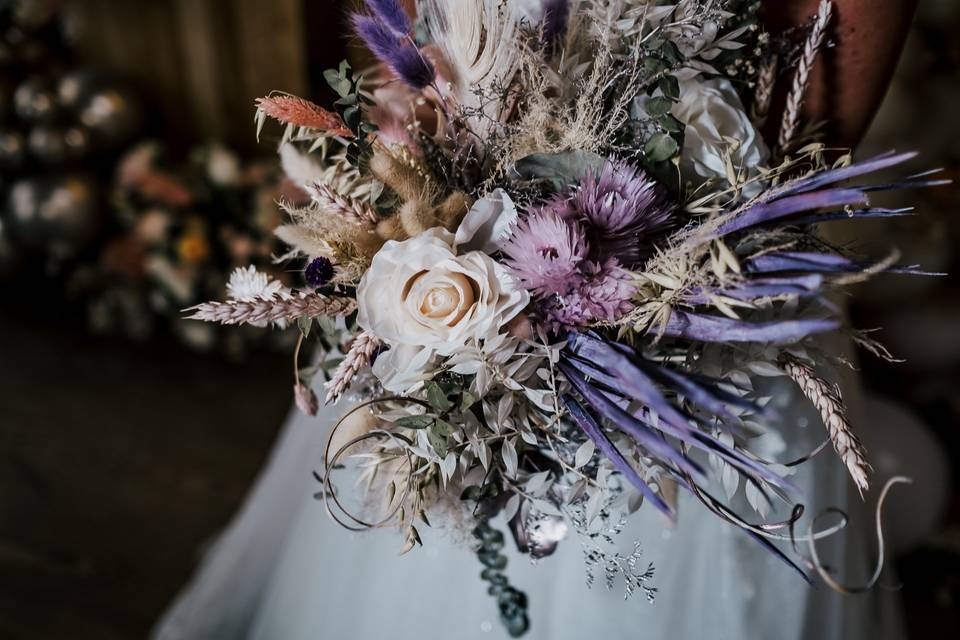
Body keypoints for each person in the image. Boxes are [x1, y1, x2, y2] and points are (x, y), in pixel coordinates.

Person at [153, 1, 918, 638]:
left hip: (701, 207)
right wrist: (422, 112)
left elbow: (824, 92)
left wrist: (719, 238)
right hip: (475, 136)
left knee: (666, 519)